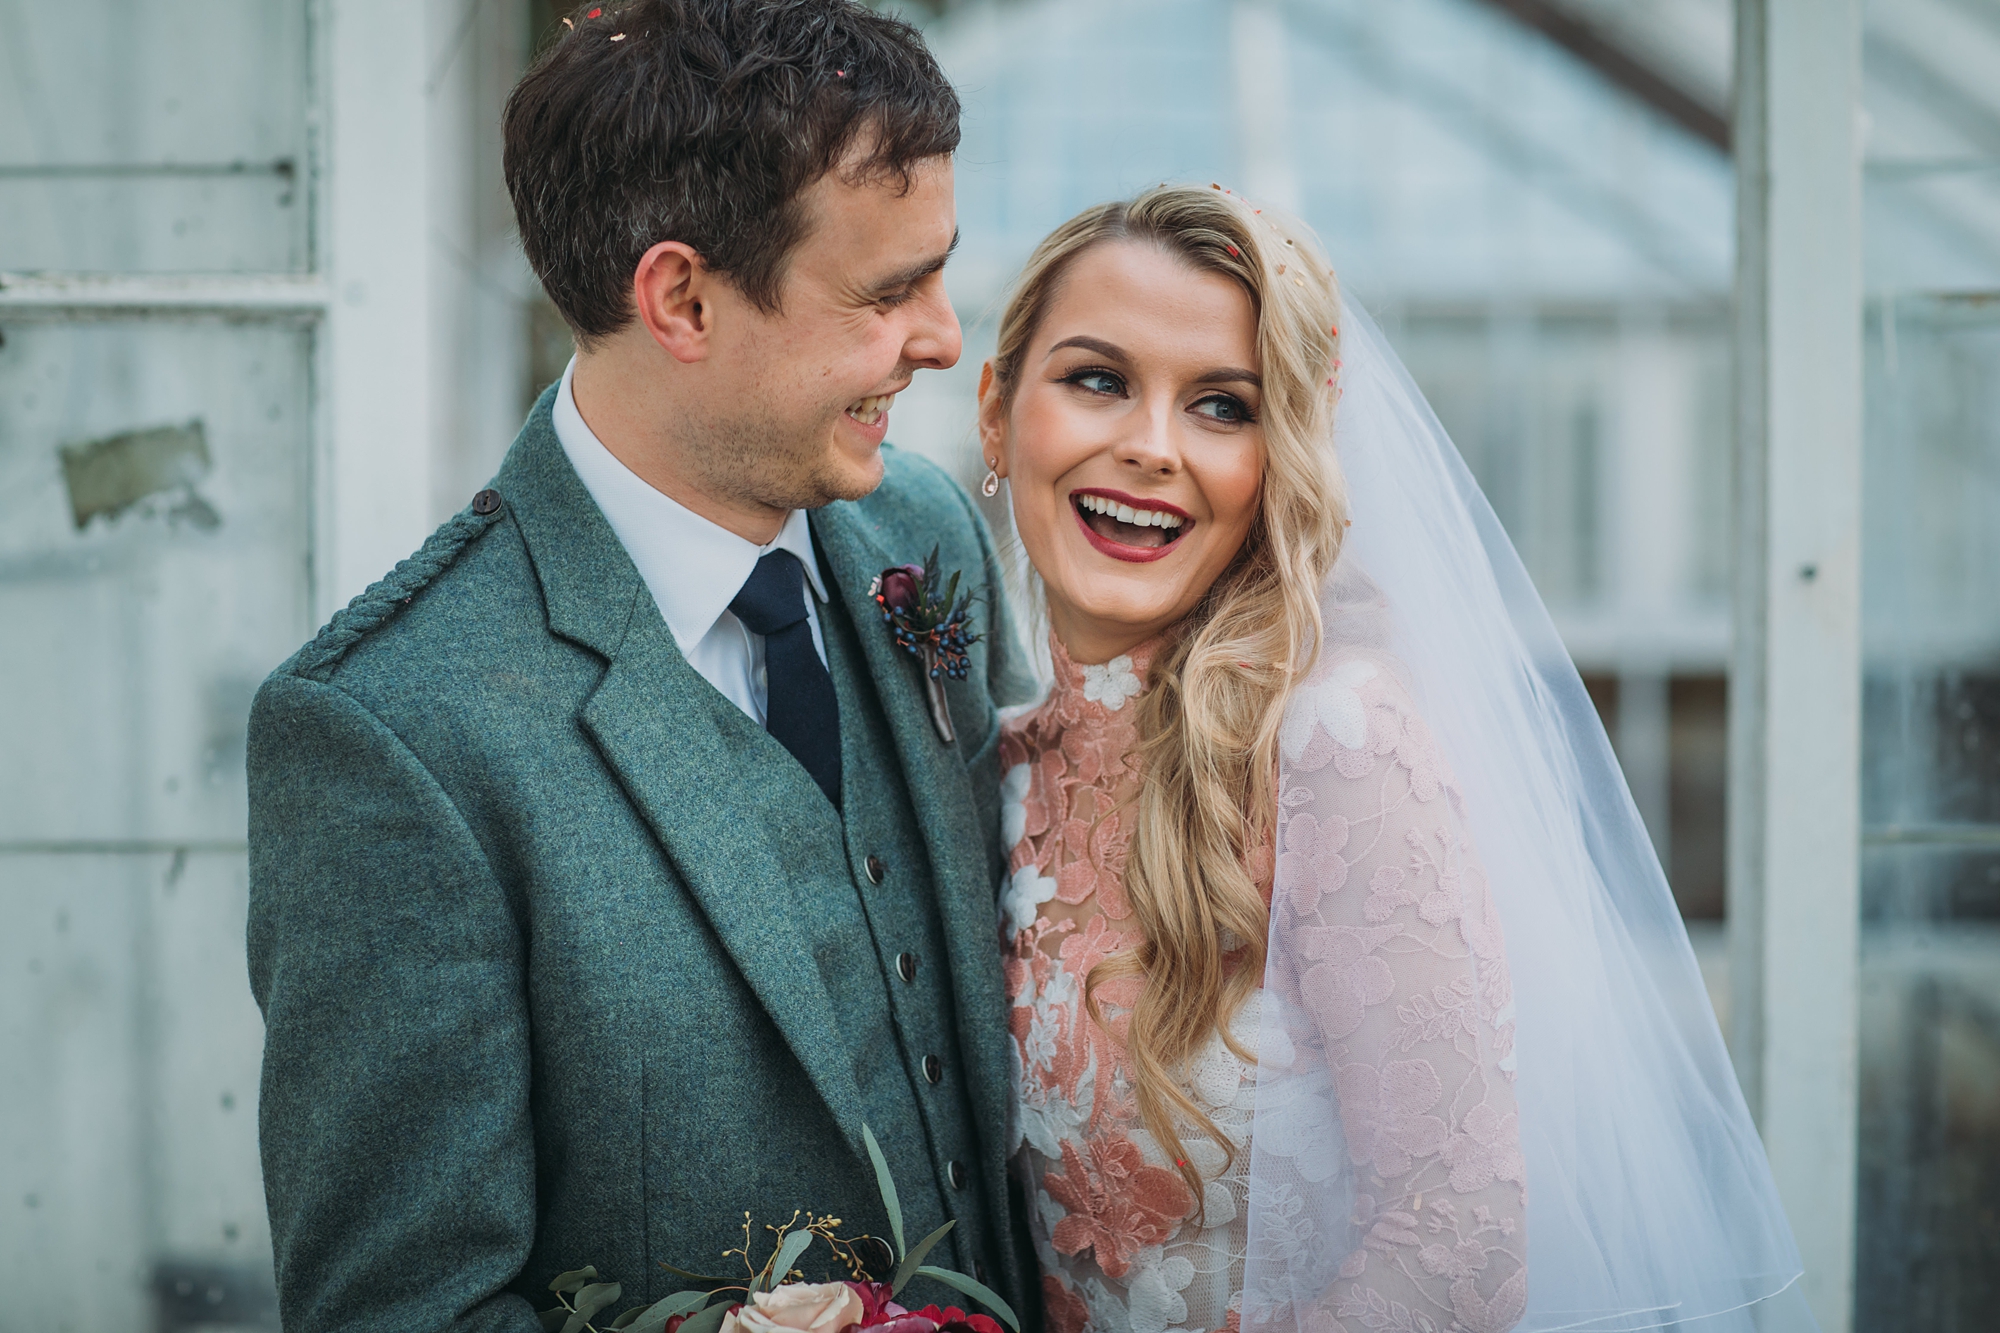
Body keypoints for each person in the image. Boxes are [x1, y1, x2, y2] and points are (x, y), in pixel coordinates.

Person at [245, 4, 1039, 1329]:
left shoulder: (926, 532)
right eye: (889, 291)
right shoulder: (389, 733)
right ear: (680, 297)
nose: (946, 338)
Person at [977, 186, 1817, 1333]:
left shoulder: (1336, 748)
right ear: (994, 410)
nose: (1149, 446)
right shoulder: (992, 773)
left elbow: (1456, 1237)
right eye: (1097, 379)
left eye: (1223, 405)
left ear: (1281, 460)